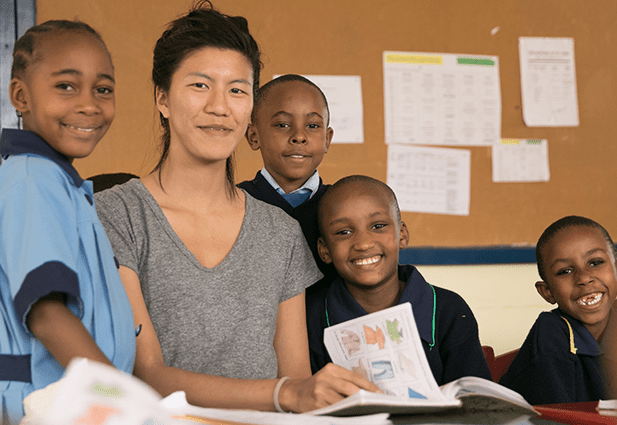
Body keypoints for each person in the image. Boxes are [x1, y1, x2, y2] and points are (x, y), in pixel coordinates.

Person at [94, 2, 378, 413]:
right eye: (199, 85)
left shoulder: (279, 232)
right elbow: (146, 373)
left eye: (238, 90)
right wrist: (284, 393)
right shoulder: (117, 215)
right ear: (163, 98)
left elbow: (296, 379)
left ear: (249, 110)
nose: (220, 106)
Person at [0, 20, 135, 424]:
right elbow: (47, 315)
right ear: (20, 95)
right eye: (66, 86)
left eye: (103, 89)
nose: (89, 104)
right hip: (43, 404)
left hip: (70, 401)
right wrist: (123, 403)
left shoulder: (59, 184)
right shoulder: (32, 181)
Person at [307, 175, 492, 385]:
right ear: (324, 250)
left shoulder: (447, 310)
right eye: (344, 231)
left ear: (402, 235)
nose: (364, 243)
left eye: (378, 226)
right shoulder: (311, 318)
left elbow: (477, 402)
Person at [499, 215, 616, 404]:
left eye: (595, 262)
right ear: (547, 292)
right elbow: (556, 418)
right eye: (565, 271)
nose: (584, 278)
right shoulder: (550, 333)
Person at [237, 74, 336, 294]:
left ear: (327, 139)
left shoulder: (341, 207)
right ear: (254, 136)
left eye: (312, 125)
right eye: (282, 125)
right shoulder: (233, 204)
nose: (299, 136)